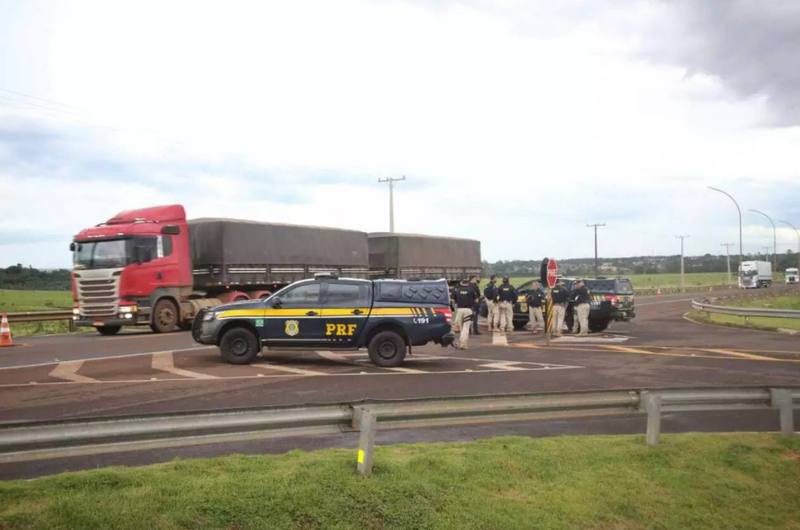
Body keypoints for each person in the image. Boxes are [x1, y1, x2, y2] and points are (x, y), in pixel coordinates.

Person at [452, 277, 478, 349]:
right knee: (466, 328)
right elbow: (476, 300)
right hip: (468, 310)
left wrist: (455, 307)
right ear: (467, 283)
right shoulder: (471, 290)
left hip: (459, 310)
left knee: (460, 327)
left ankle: (460, 342)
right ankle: (463, 344)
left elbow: (453, 300)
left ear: (461, 283)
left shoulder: (457, 290)